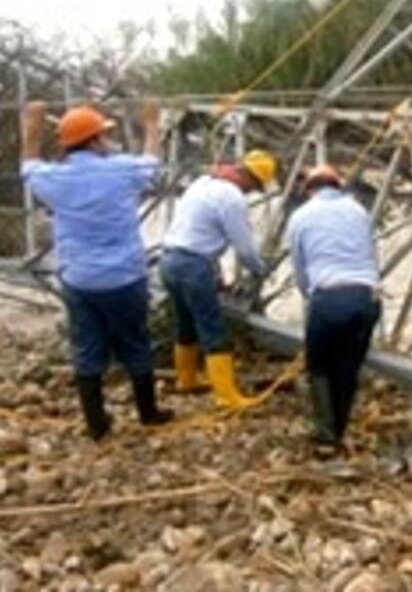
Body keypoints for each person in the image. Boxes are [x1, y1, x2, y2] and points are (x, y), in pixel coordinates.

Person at [20, 100, 173, 440]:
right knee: (135, 345)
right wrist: (151, 123)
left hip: (79, 279)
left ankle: (97, 424)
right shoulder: (121, 170)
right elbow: (152, 162)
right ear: (92, 141)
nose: (106, 141)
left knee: (87, 350)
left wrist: (31, 123)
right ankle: (148, 414)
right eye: (102, 136)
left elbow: (28, 165)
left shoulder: (53, 179)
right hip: (125, 278)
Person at [159, 149, 277, 406]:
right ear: (249, 177)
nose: (252, 192)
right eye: (255, 186)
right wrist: (260, 268)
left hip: (169, 260)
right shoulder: (232, 197)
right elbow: (244, 248)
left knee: (185, 323)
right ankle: (227, 397)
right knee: (213, 328)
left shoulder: (203, 182)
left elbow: (201, 230)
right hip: (193, 265)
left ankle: (186, 380)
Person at [285, 165, 381, 451]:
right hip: (367, 297)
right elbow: (371, 253)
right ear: (337, 186)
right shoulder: (358, 211)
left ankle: (326, 434)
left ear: (309, 190)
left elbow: (299, 268)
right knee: (347, 369)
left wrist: (309, 296)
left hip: (328, 297)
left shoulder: (300, 216)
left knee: (319, 367)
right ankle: (339, 430)